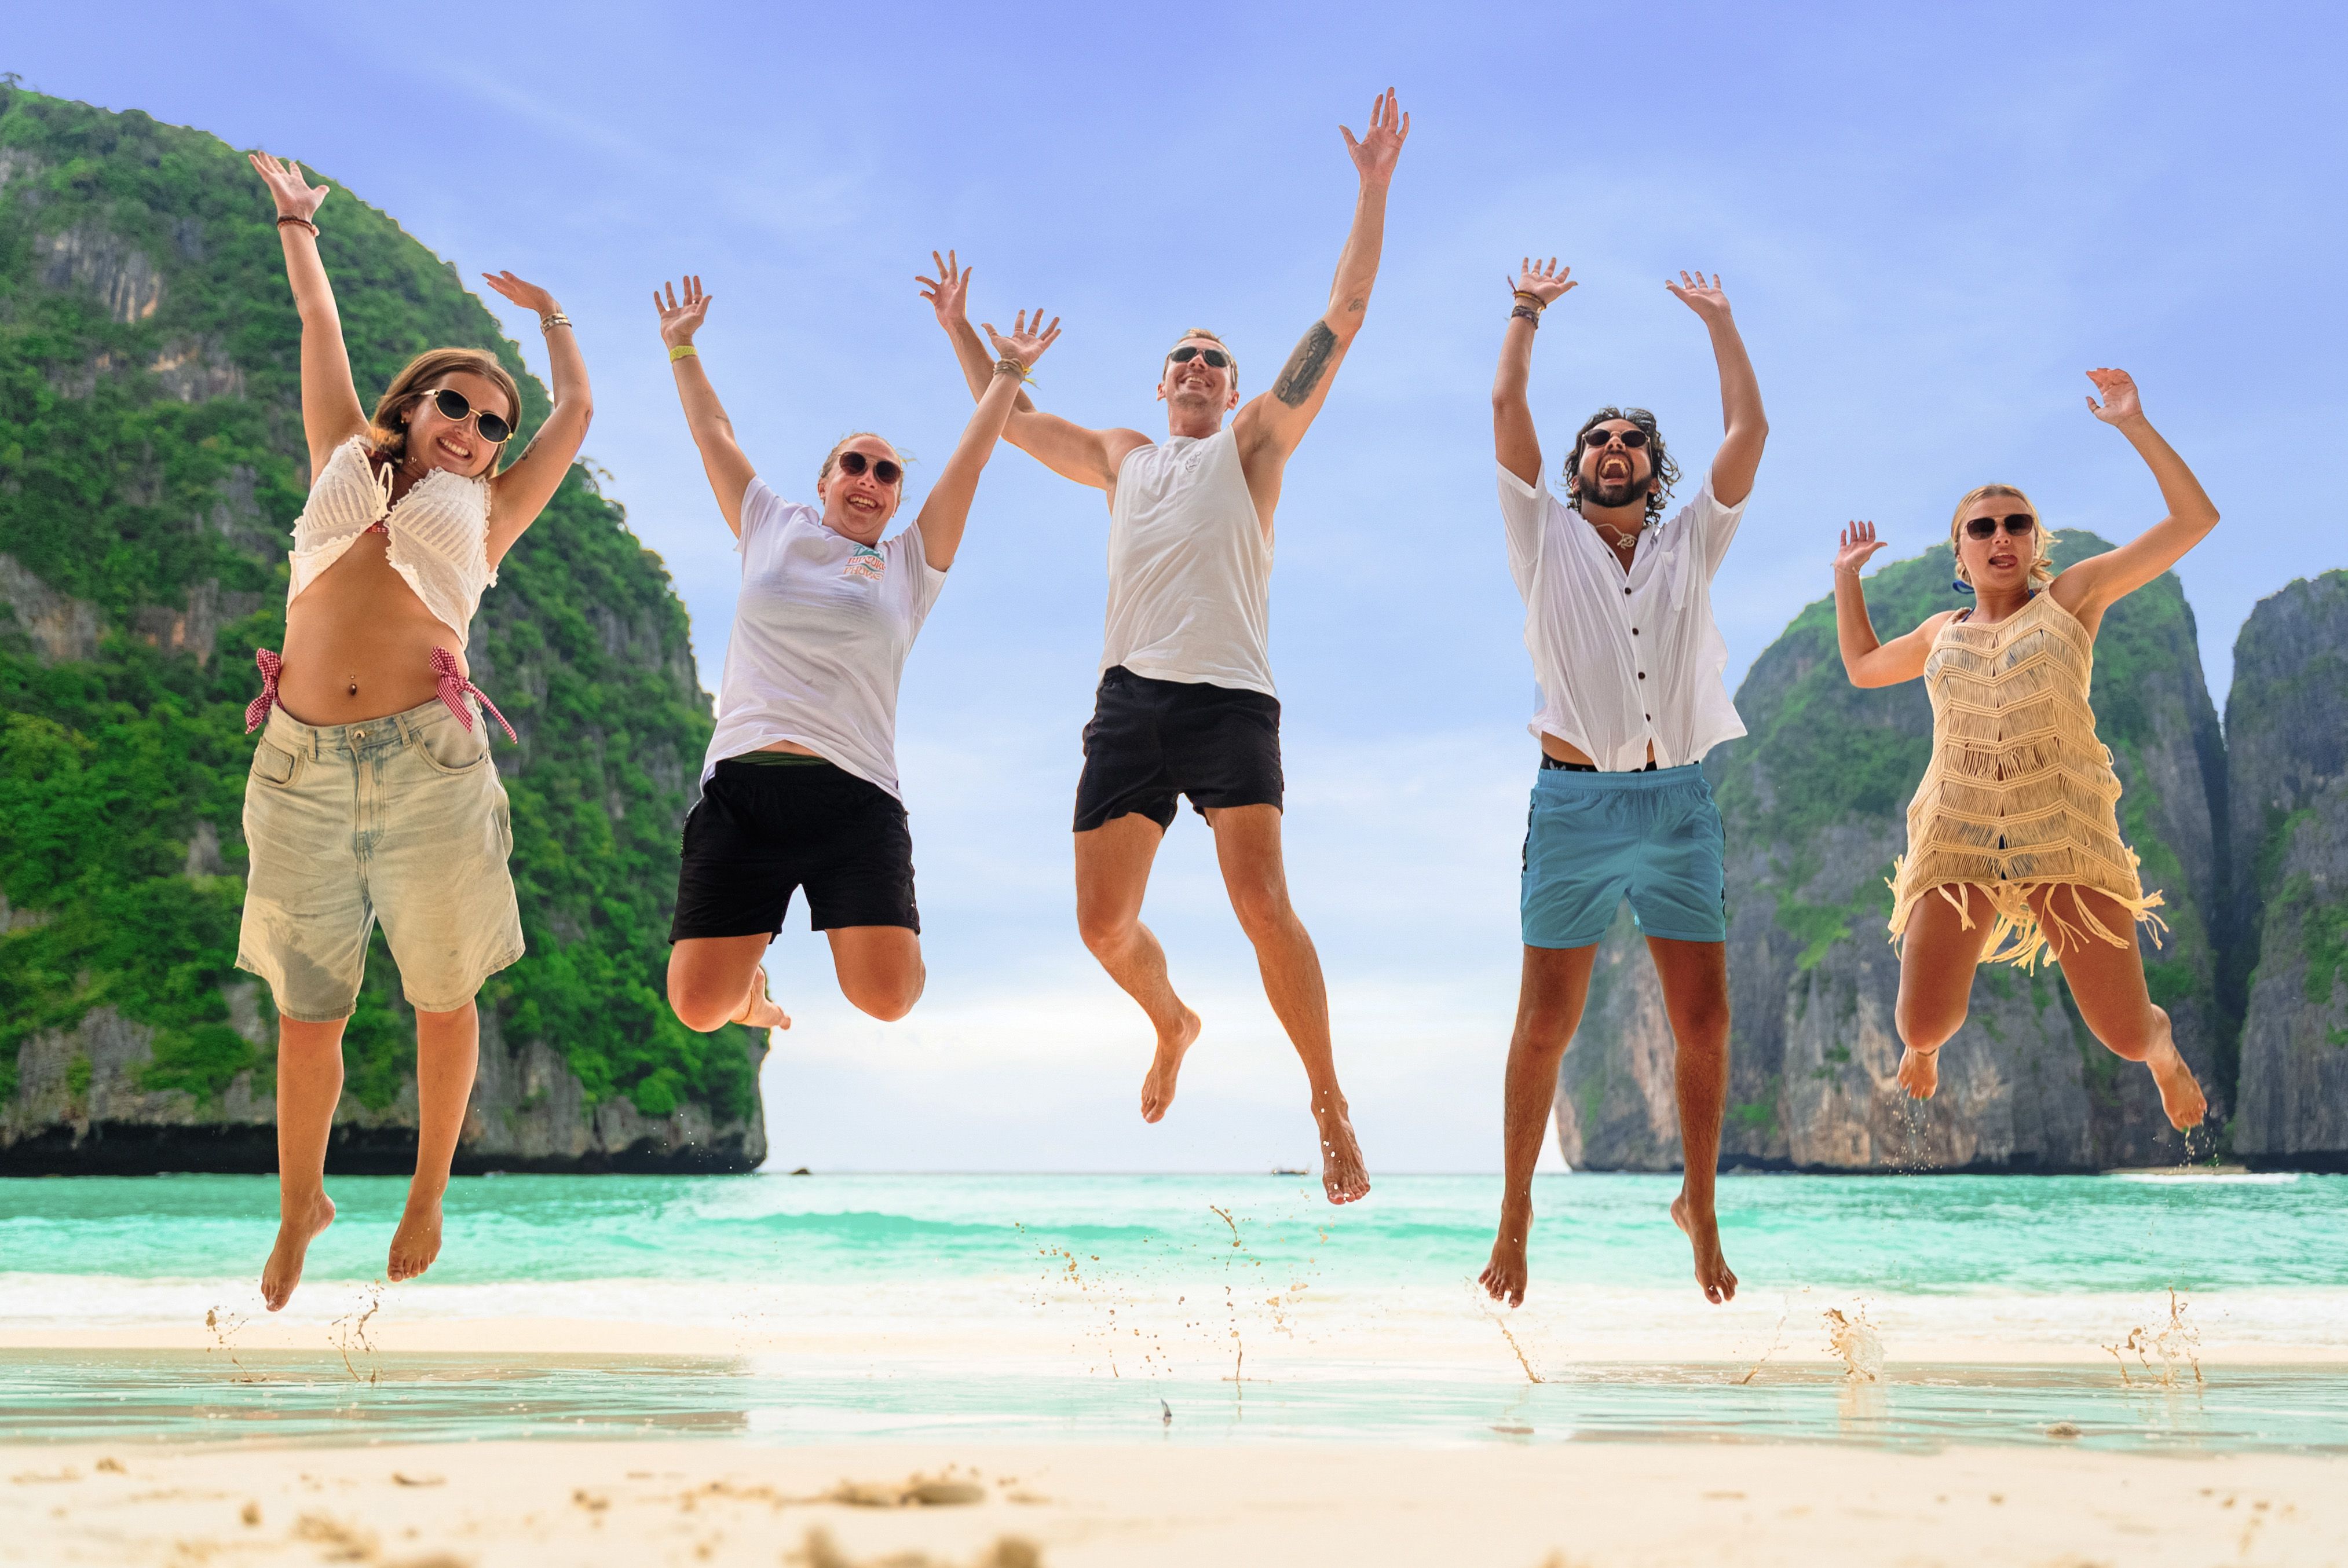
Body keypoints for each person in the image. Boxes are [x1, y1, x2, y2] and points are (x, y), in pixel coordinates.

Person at [918, 89, 1412, 1206]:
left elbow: (1343, 313)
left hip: (1231, 700)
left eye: (1213, 359)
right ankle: (1172, 1020)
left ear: (1235, 389)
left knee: (1261, 905)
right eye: (1181, 356)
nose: (1196, 366)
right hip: (1131, 703)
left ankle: (1329, 1106)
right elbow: (1009, 421)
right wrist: (963, 332)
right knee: (1101, 925)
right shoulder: (1123, 455)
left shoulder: (1255, 445)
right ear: (1160, 382)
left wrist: (1372, 186)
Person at [240, 154, 593, 1309]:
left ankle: (428, 1186)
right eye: (457, 406)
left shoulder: (490, 511)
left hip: (426, 762)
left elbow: (578, 412)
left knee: (444, 995)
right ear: (414, 403)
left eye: (493, 425)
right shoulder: (344, 445)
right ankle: (302, 1204)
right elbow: (315, 316)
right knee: (309, 1010)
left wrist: (550, 318)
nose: (475, 430)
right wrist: (298, 222)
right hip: (295, 759)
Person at [654, 274, 1057, 1039]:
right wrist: (681, 346)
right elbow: (715, 433)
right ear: (825, 481)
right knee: (699, 1010)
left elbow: (969, 464)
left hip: (856, 798)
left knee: (888, 999)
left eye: (886, 473)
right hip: (746, 788)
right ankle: (749, 991)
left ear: (898, 499)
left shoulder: (912, 567)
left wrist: (1006, 370)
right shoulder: (769, 523)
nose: (868, 480)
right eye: (854, 465)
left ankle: (859, 936)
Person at [1478, 257, 1768, 1309]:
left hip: (1679, 805)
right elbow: (1506, 402)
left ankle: (1699, 1204)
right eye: (1596, 441)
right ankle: (1515, 1209)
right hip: (1573, 807)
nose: (1611, 450)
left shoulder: (1693, 539)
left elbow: (1748, 433)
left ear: (1653, 467)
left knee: (1706, 1026)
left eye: (1629, 441)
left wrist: (1719, 324)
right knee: (1545, 1022)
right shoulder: (1541, 537)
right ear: (1576, 469)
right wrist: (1525, 314)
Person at [1829, 368, 2213, 1133]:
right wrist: (1846, 580)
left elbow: (2191, 519)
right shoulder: (1940, 632)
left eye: (2015, 524)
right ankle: (1928, 1052)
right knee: (1920, 1026)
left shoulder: (2073, 597)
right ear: (1958, 551)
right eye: (1982, 528)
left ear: (2034, 543)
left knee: (2125, 1033)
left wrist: (2132, 423)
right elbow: (1863, 667)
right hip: (1956, 832)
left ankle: (2164, 1050)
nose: (1999, 537)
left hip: (2061, 829)